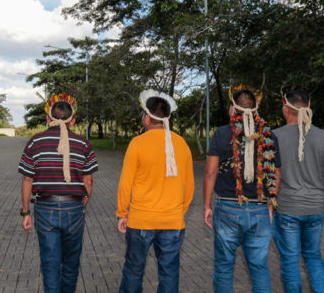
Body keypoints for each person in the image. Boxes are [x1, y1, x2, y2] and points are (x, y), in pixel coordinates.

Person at [18, 93, 99, 293]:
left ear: (48, 118)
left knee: (50, 263)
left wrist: (26, 212)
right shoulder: (83, 144)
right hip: (74, 208)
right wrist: (81, 205)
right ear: (73, 120)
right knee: (71, 264)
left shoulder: (35, 142)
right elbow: (88, 180)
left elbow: (27, 179)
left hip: (45, 209)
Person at [203, 84, 280, 293]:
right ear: (256, 109)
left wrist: (207, 205)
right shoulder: (269, 135)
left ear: (232, 108)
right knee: (259, 267)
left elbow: (210, 172)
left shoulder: (221, 133)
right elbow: (275, 173)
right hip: (260, 208)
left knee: (224, 267)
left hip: (227, 207)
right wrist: (271, 202)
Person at [116, 90, 195, 293]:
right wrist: (179, 211)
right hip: (173, 221)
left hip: (141, 220)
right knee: (169, 272)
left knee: (134, 270)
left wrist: (122, 212)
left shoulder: (137, 143)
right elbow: (190, 186)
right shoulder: (182, 144)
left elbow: (126, 183)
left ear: (149, 118)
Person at [272, 88, 324, 293]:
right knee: (313, 256)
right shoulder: (322, 136)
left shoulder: (275, 137)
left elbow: (270, 175)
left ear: (286, 108)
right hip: (315, 207)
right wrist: (314, 194)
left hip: (288, 207)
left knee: (290, 260)